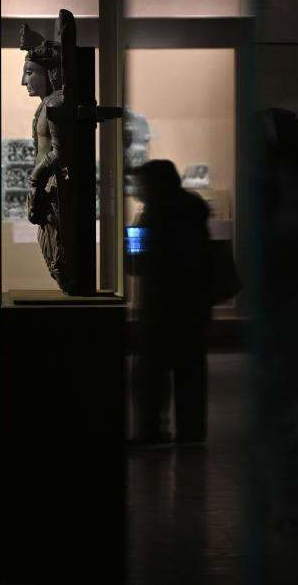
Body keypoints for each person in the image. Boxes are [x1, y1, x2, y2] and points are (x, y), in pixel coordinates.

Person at [126, 160, 213, 444]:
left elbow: (136, 264)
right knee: (190, 373)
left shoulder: (153, 215)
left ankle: (150, 431)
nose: (138, 189)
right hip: (192, 307)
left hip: (159, 308)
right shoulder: (193, 210)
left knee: (150, 375)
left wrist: (131, 242)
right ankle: (192, 433)